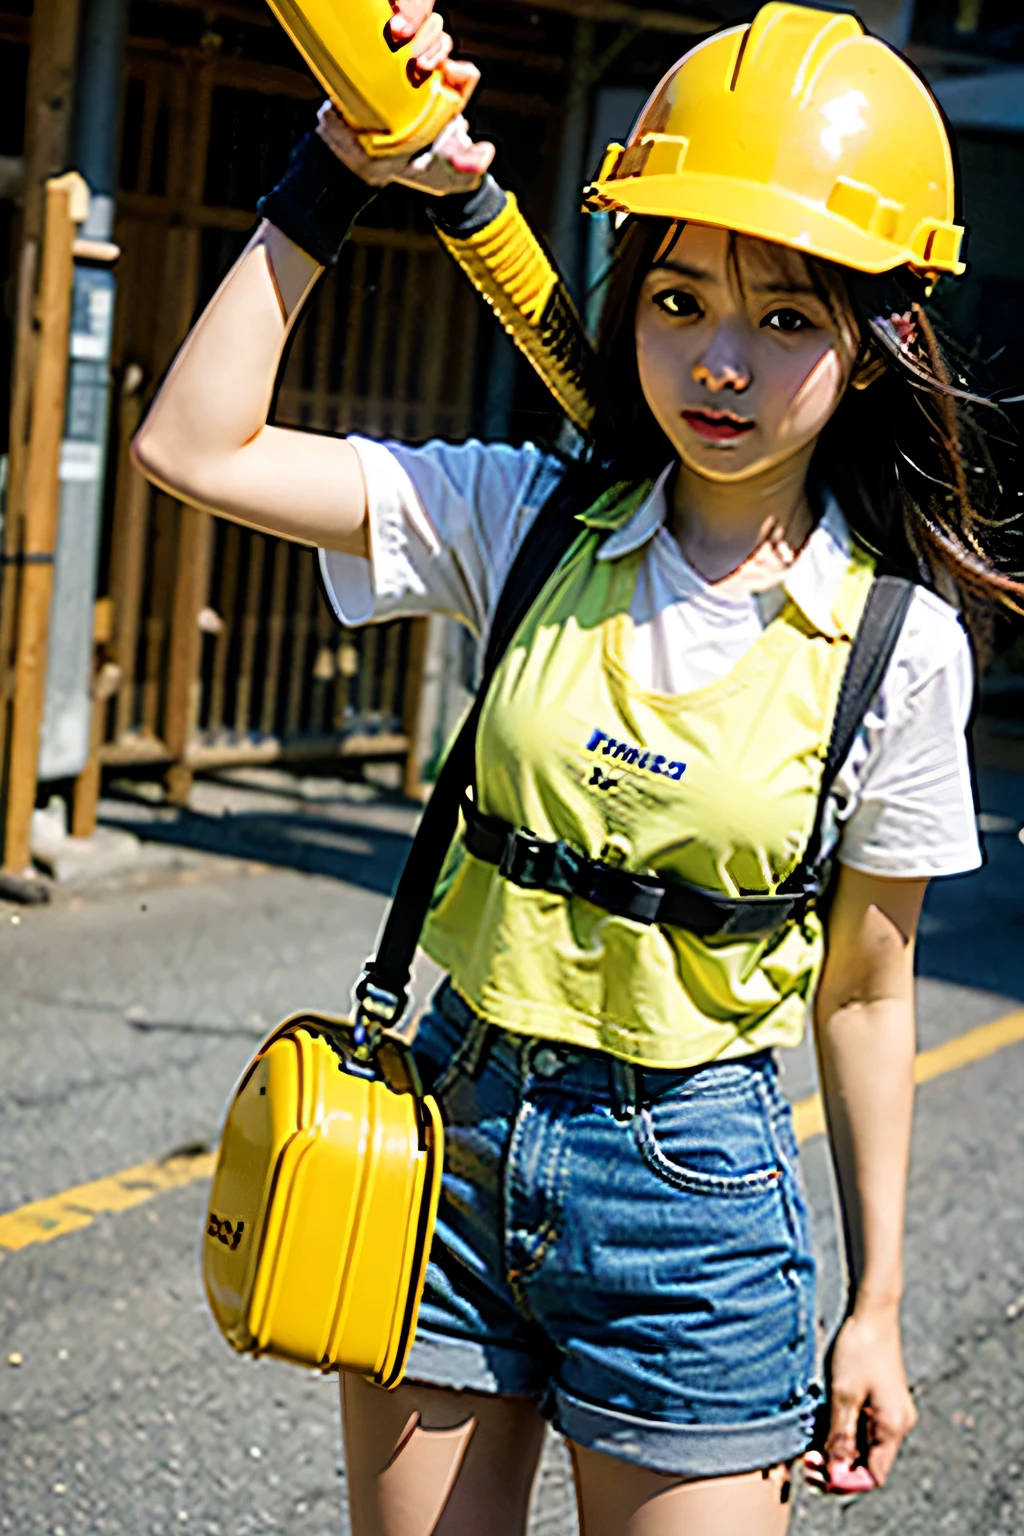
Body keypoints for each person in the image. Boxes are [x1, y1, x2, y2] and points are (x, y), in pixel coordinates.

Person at [133, 3, 1021, 1531]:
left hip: (695, 1204)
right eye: (679, 302)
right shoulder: (525, 517)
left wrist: (877, 1302)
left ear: (876, 347)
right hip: (451, 1138)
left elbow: (867, 992)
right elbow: (196, 447)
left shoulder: (900, 646)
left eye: (788, 319)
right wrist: (331, 177)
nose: (719, 364)